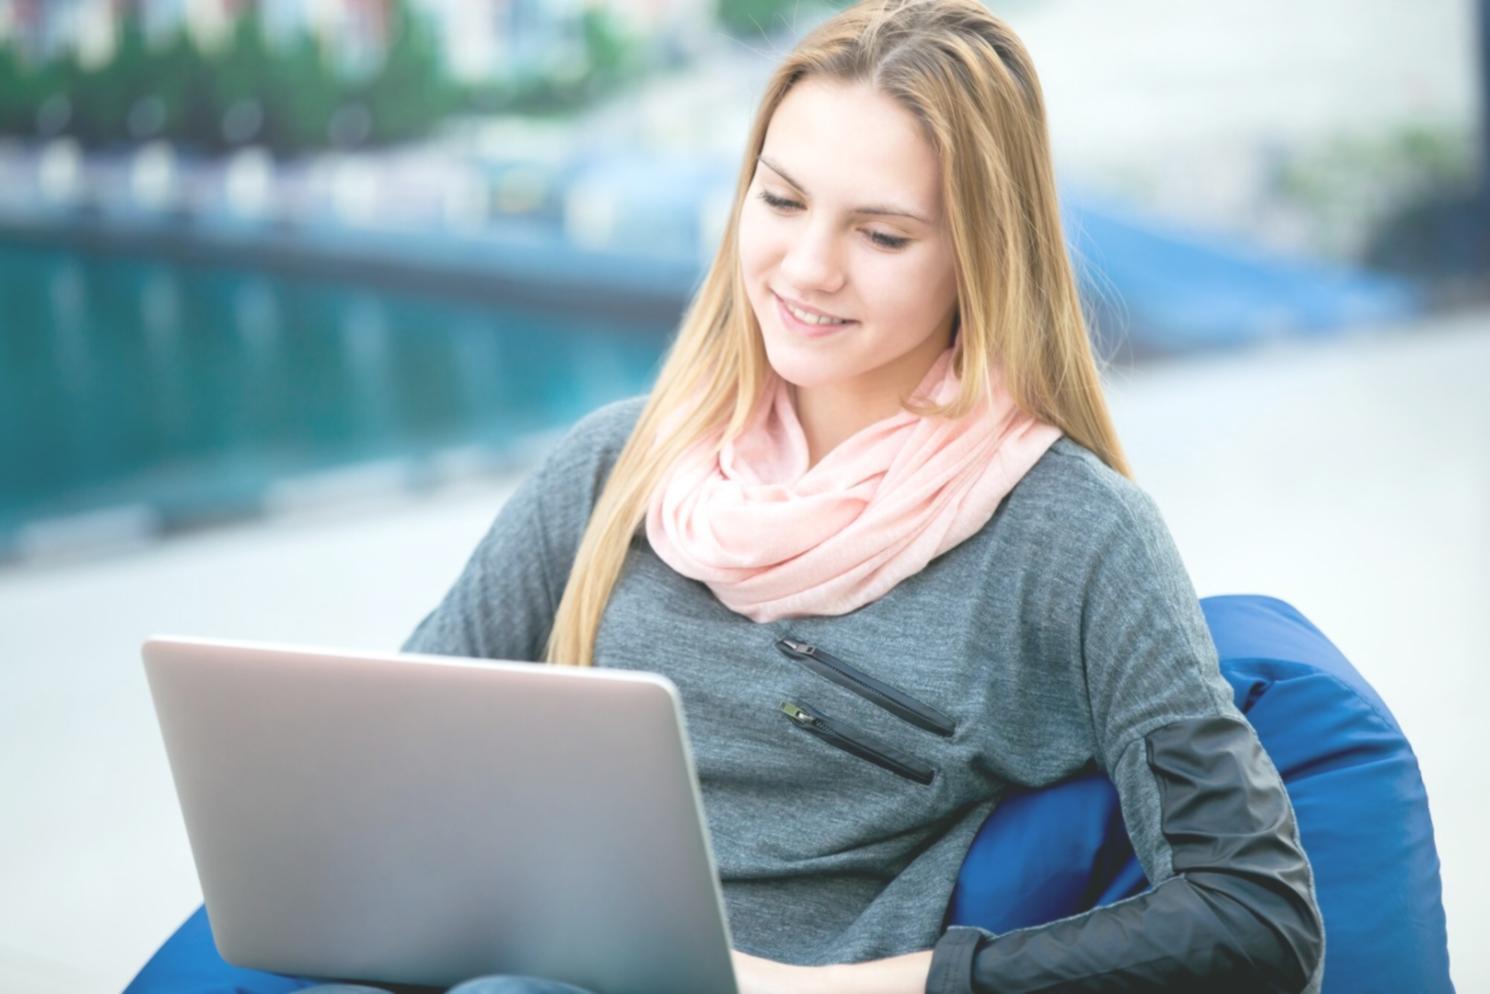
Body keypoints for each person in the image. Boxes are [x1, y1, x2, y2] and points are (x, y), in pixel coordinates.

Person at [299, 0, 1324, 991]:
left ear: (980, 258)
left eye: (880, 236)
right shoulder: (615, 465)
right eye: (780, 200)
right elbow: (398, 770)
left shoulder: (1071, 537)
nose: (806, 267)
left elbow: (1255, 917)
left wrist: (874, 986)